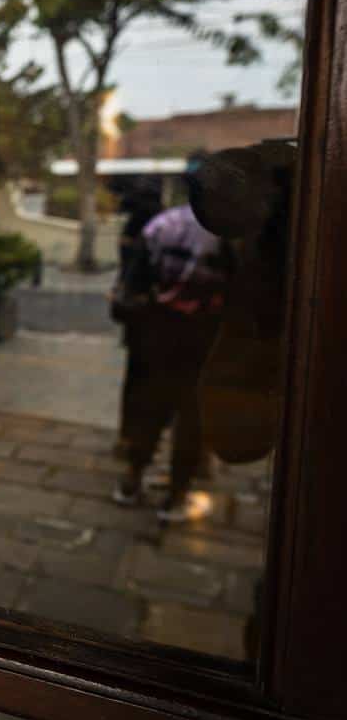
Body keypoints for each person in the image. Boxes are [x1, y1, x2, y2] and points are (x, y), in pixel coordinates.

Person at [111, 199, 233, 522]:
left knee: (151, 408)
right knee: (191, 418)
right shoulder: (229, 235)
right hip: (205, 339)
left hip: (157, 332)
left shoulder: (162, 225)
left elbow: (133, 282)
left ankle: (132, 480)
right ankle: (175, 497)